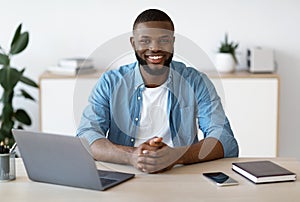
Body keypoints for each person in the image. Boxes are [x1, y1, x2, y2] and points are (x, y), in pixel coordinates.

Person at [77, 9, 238, 173]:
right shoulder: (110, 83)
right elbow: (86, 136)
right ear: (133, 43)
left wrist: (177, 156)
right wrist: (132, 156)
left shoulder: (196, 82)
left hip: (181, 173)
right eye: (145, 41)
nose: (154, 48)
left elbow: (224, 139)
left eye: (163, 40)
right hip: (124, 172)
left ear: (173, 42)